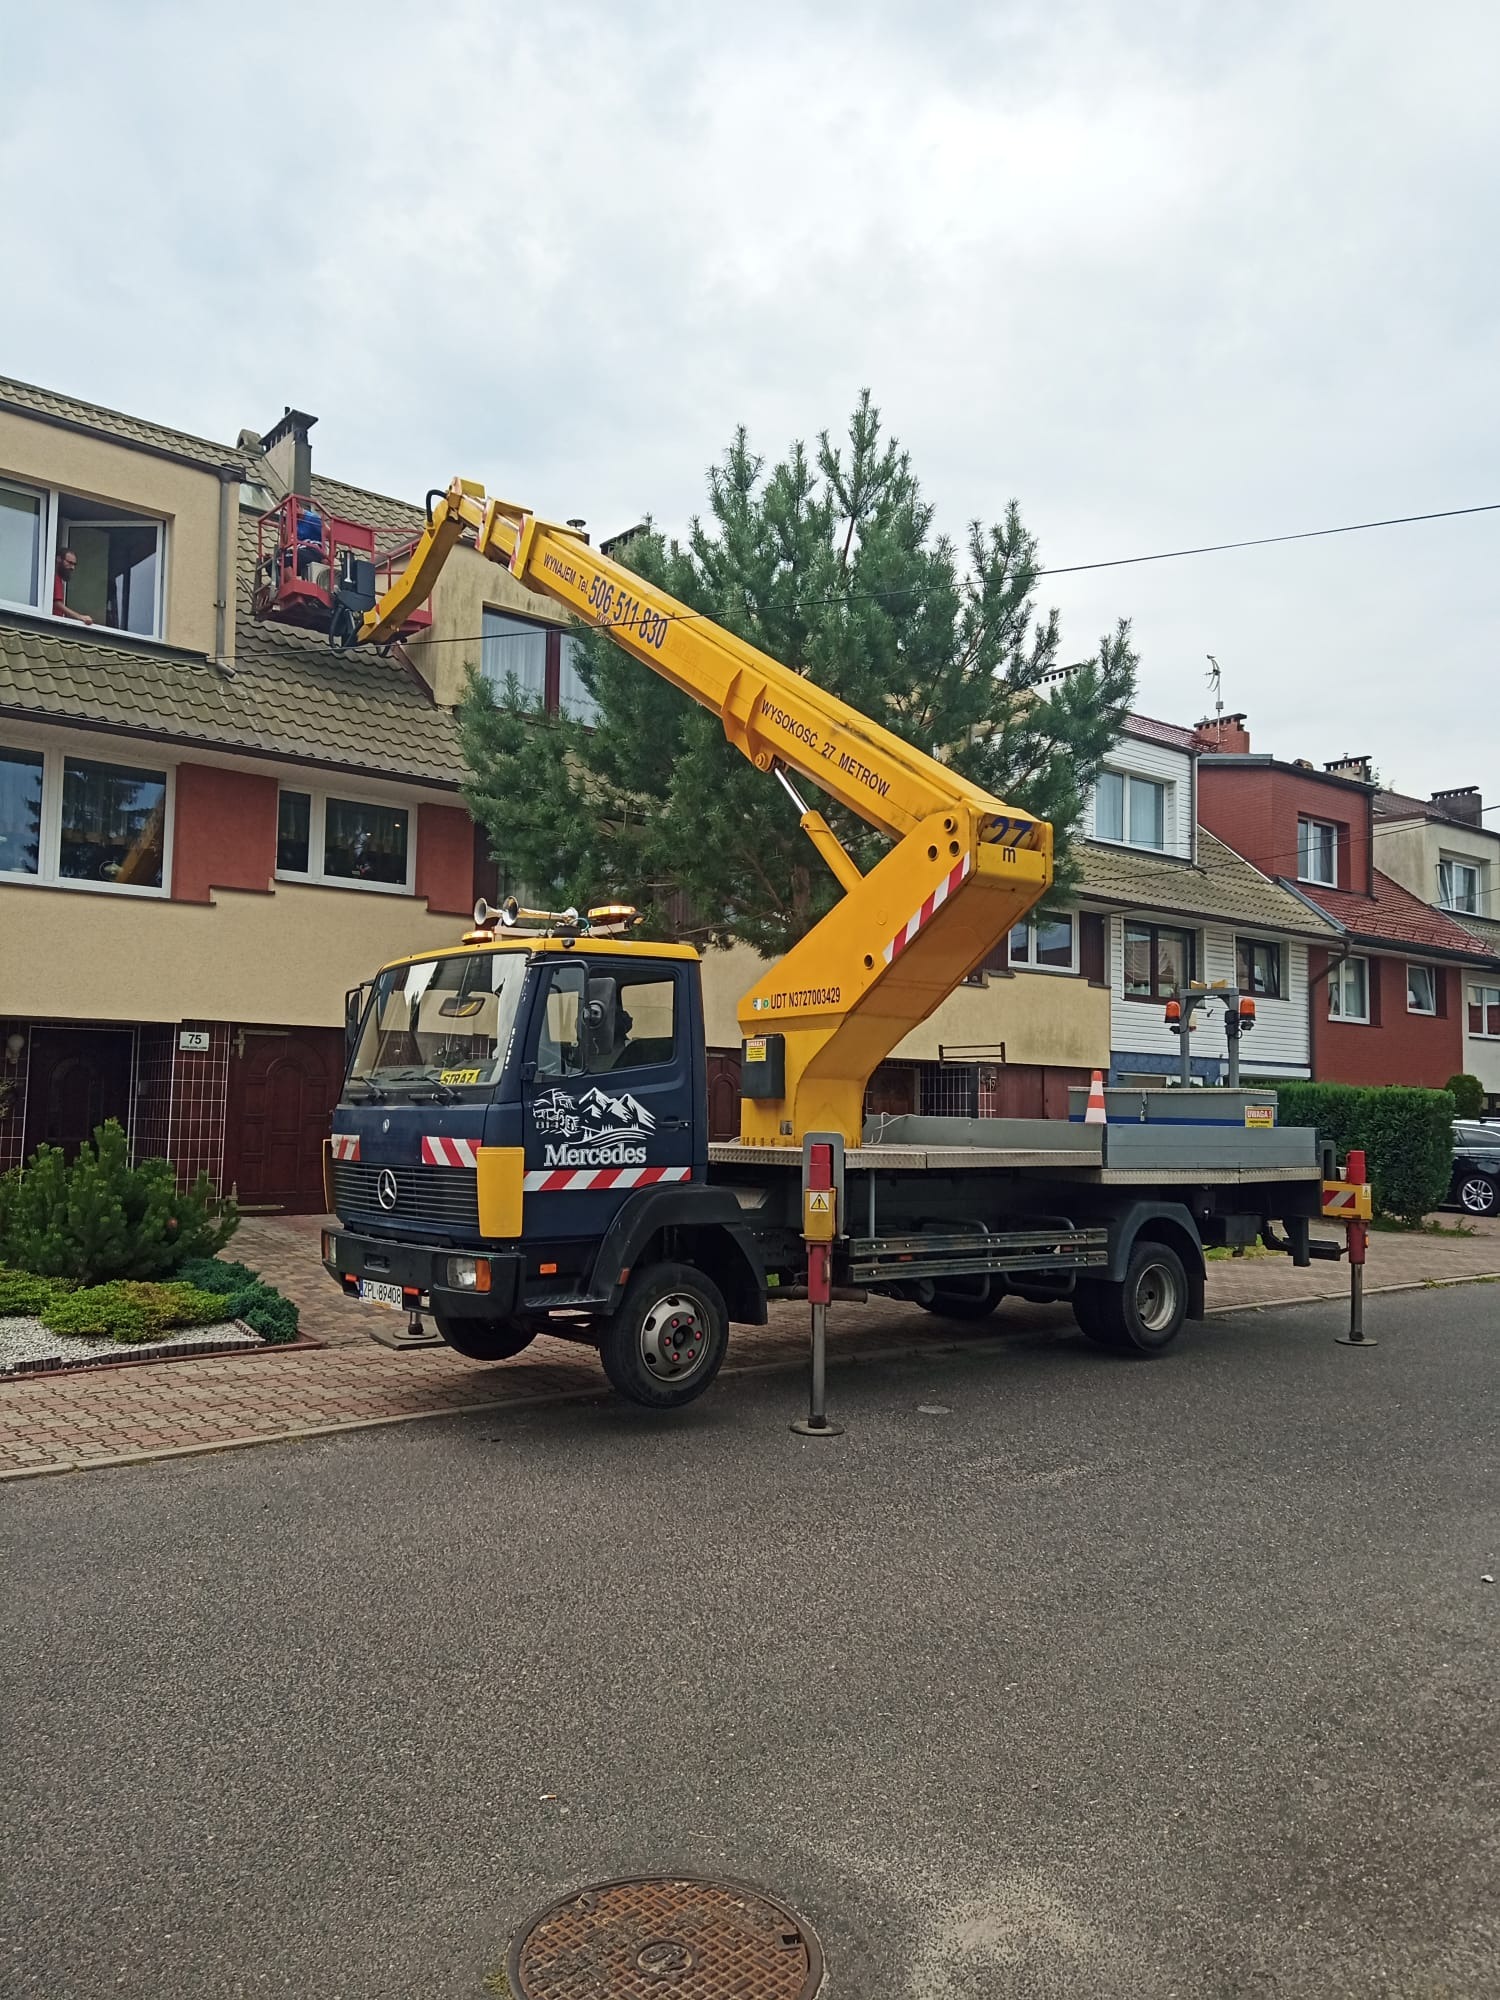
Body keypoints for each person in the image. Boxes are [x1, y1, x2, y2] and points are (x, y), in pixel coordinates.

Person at [52, 548, 93, 624]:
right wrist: (80, 617)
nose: (72, 567)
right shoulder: (54, 577)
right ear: (59, 559)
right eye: (70, 563)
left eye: (74, 564)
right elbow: (57, 604)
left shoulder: (59, 579)